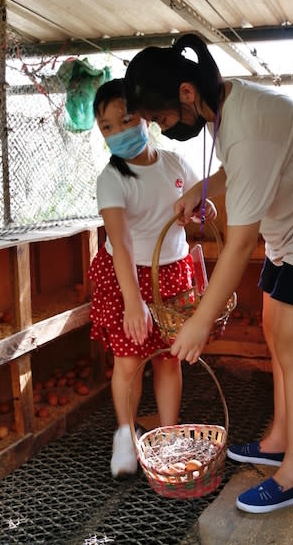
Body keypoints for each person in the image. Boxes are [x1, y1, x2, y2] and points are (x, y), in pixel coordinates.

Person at [123, 34, 293, 513]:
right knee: (275, 331)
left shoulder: (247, 126)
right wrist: (202, 187)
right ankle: (279, 437)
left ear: (186, 94)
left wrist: (199, 322)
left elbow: (237, 246)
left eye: (160, 117)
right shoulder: (228, 106)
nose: (160, 127)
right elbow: (239, 169)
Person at [88, 78, 215, 478]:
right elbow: (120, 242)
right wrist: (133, 301)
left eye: (124, 120)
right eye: (106, 127)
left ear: (145, 117)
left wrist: (201, 211)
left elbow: (201, 209)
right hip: (127, 276)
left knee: (169, 359)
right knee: (129, 360)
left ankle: (170, 435)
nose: (117, 132)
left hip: (174, 273)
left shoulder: (176, 164)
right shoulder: (112, 179)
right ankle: (125, 435)